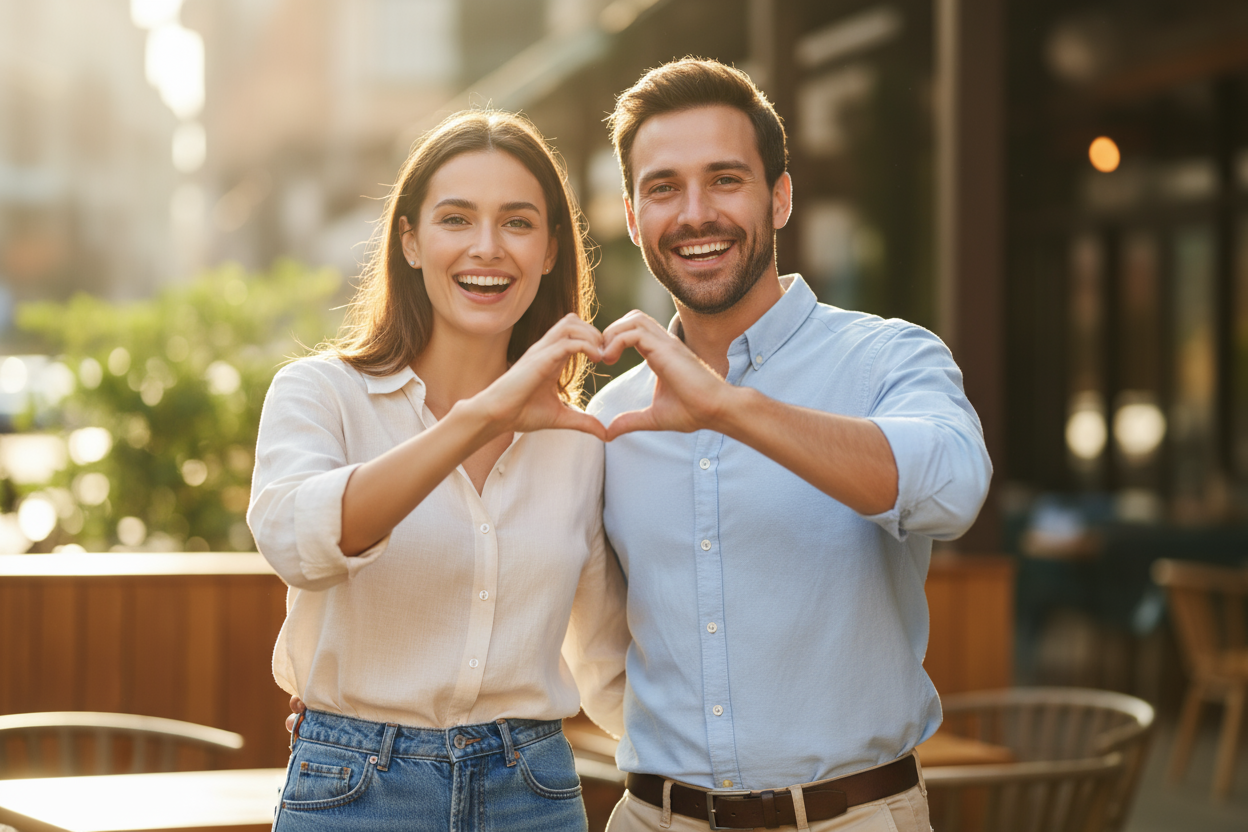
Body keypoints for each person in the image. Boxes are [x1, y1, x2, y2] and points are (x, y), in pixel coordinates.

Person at [589, 59, 992, 831]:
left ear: (780, 197)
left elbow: (953, 491)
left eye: (726, 180)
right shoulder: (614, 416)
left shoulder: (889, 358)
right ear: (634, 218)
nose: (695, 213)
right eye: (664, 187)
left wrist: (732, 410)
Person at [248, 109, 628, 831]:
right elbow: (298, 544)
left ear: (551, 250)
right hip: (355, 789)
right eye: (456, 219)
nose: (488, 248)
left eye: (518, 223)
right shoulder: (321, 394)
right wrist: (482, 418)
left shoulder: (579, 439)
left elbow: (606, 660)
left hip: (534, 791)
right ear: (410, 241)